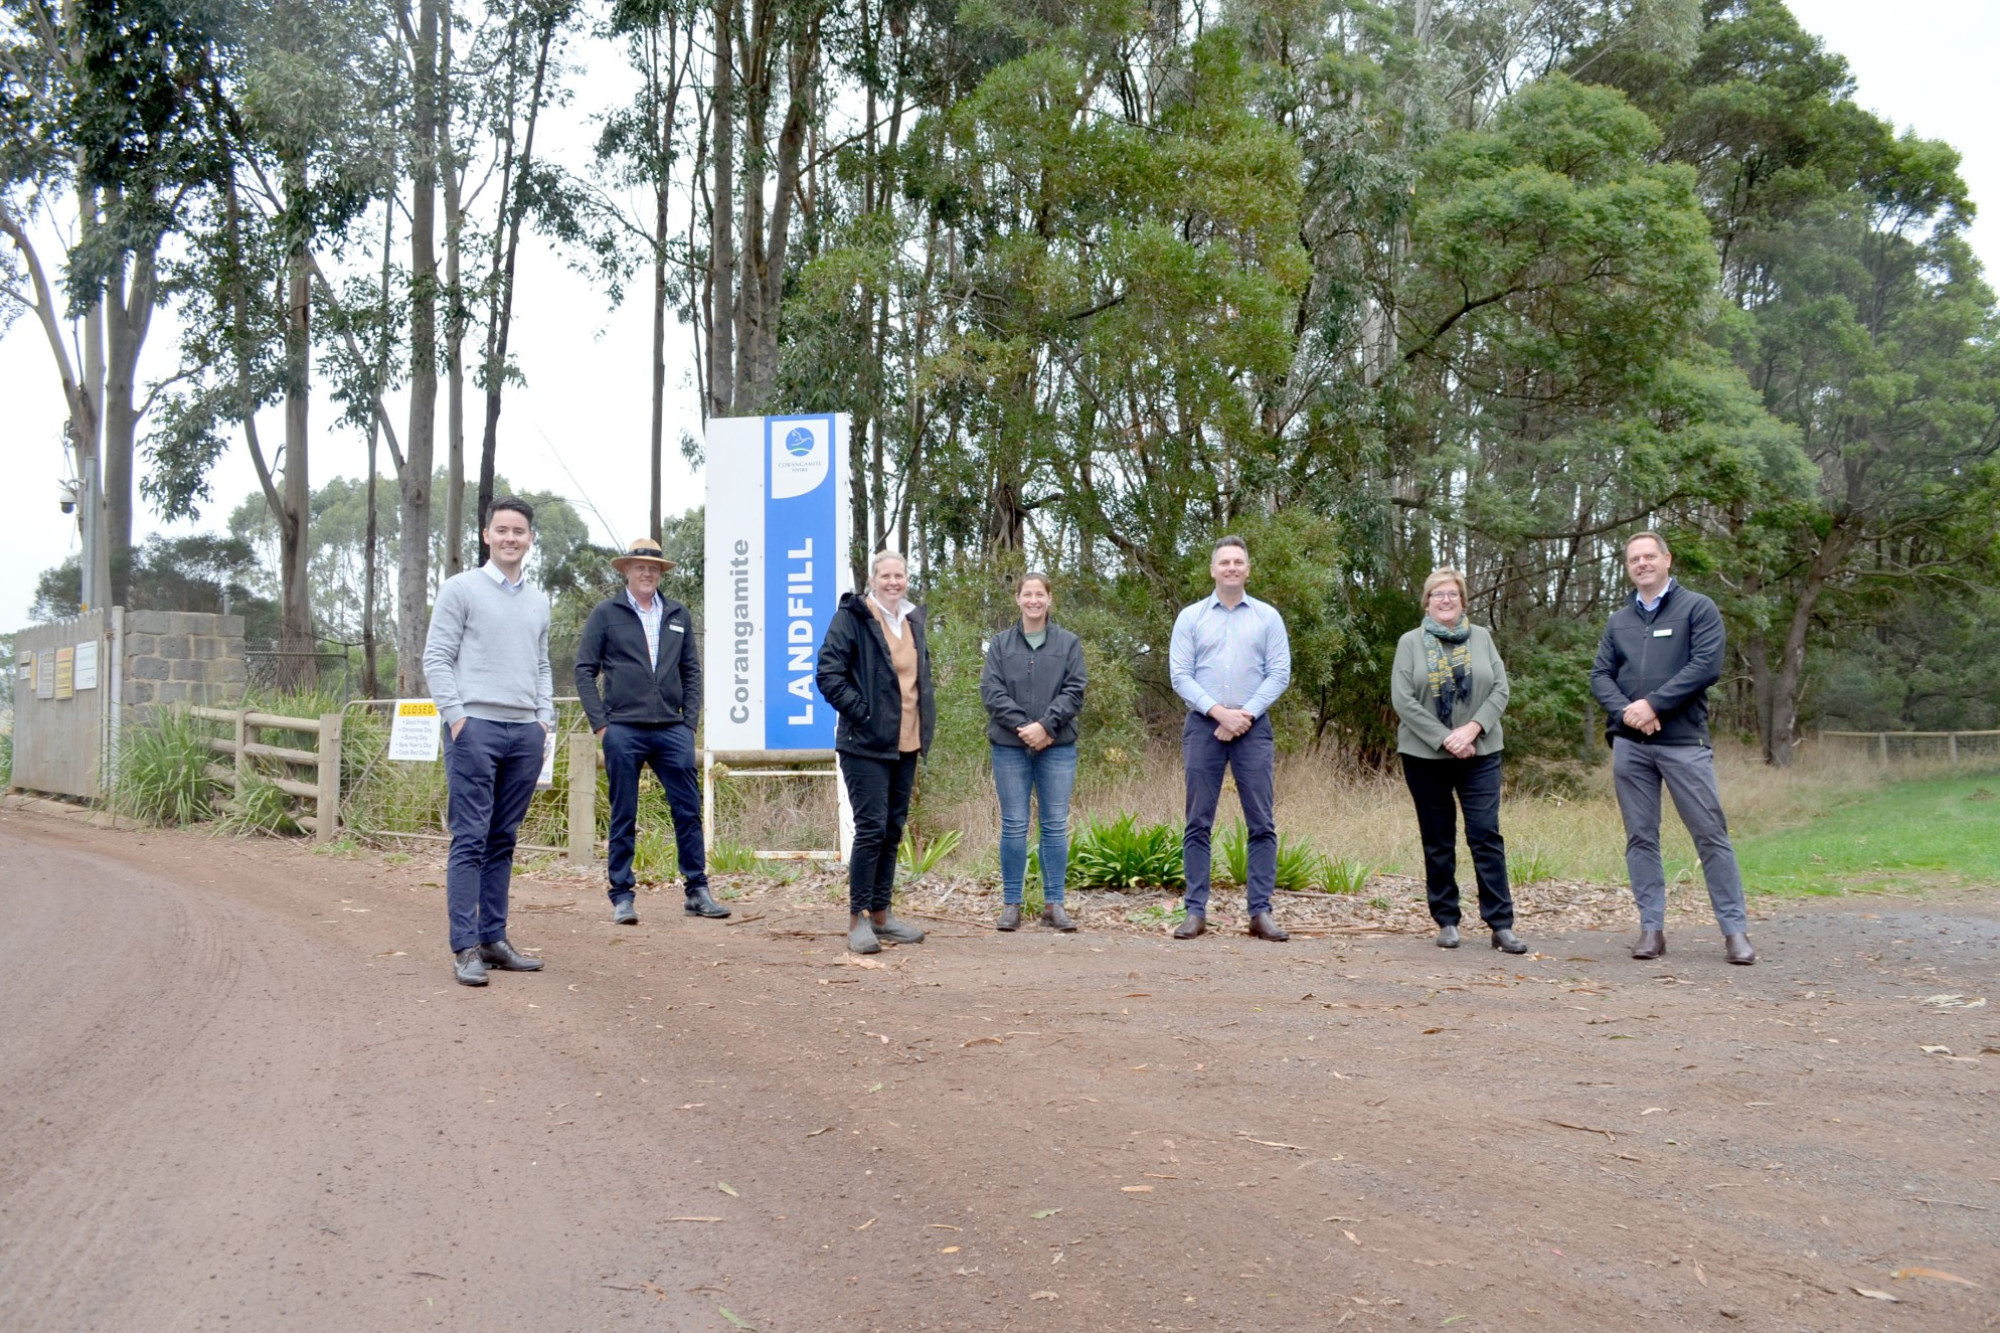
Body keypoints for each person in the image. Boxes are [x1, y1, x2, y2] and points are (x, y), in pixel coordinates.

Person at [1590, 531, 1757, 965]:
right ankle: (1651, 930)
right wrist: (1629, 712)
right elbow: (1600, 676)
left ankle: (1735, 932)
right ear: (1627, 567)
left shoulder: (1697, 608)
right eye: (1633, 559)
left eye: (1649, 556)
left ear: (1667, 559)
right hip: (1631, 746)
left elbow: (1705, 666)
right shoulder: (1618, 620)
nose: (1642, 564)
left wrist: (1653, 704)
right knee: (1641, 838)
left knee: (1710, 835)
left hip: (1683, 743)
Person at [424, 497, 554, 987]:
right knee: (471, 838)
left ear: (529, 539)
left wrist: (544, 720)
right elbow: (436, 658)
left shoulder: (538, 600)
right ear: (486, 535)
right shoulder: (461, 590)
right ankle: (465, 948)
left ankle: (494, 939)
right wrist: (457, 719)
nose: (510, 538)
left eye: (518, 531)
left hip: (524, 732)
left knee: (503, 838)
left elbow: (542, 665)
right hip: (474, 727)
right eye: (501, 530)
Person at [575, 536, 725, 926]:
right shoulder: (605, 614)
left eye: (654, 568)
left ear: (661, 573)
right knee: (623, 812)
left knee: (688, 811)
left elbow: (691, 671)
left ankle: (697, 890)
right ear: (626, 570)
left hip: (672, 729)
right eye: (640, 566)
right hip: (622, 728)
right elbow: (584, 671)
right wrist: (602, 725)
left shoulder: (678, 614)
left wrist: (689, 723)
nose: (647, 573)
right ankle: (622, 896)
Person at [1390, 569, 1526, 954]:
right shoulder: (1410, 643)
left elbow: (1500, 689)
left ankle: (1501, 924)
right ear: (1427, 601)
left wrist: (1472, 730)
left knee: (1485, 835)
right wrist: (1444, 738)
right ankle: (1447, 920)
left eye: (1452, 594)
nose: (1445, 600)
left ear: (1463, 601)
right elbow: (1403, 699)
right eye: (1437, 594)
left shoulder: (1482, 638)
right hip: (1424, 754)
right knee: (1438, 839)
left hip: (1480, 752)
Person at [1167, 536, 1292, 942]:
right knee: (1197, 822)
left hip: (1253, 726)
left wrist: (1244, 715)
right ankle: (1195, 912)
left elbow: (1279, 674)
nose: (1232, 567)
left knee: (1261, 823)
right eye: (1225, 562)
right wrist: (1218, 713)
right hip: (1204, 726)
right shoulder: (1191, 617)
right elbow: (1181, 675)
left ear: (1248, 569)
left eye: (1239, 561)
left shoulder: (1268, 618)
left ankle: (1260, 912)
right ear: (1213, 569)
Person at [816, 551, 935, 955]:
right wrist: (863, 712)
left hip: (907, 741)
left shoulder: (912, 619)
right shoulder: (853, 617)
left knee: (892, 829)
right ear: (873, 579)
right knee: (870, 829)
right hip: (864, 743)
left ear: (906, 579)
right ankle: (857, 920)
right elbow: (828, 674)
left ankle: (882, 916)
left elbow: (920, 681)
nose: (893, 582)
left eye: (899, 575)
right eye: (885, 575)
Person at [979, 572, 1087, 932]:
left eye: (1040, 594)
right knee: (1013, 824)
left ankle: (1054, 904)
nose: (1034, 600)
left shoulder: (1068, 643)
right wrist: (1025, 728)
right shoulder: (1000, 644)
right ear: (1018, 599)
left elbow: (1075, 690)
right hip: (1010, 747)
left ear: (1049, 599)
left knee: (1054, 825)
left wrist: (1046, 726)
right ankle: (1012, 904)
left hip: (1057, 746)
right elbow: (992, 692)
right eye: (1027, 594)